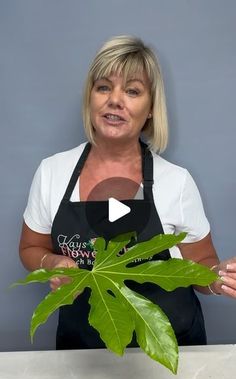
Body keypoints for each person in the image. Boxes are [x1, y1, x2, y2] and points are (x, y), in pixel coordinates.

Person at [19, 35, 236, 350]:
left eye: (132, 91)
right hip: (85, 353)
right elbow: (30, 248)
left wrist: (220, 278)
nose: (115, 100)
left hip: (171, 347)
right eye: (103, 87)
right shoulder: (52, 172)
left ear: (150, 109)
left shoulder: (176, 181)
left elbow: (201, 263)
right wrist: (51, 262)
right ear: (90, 97)